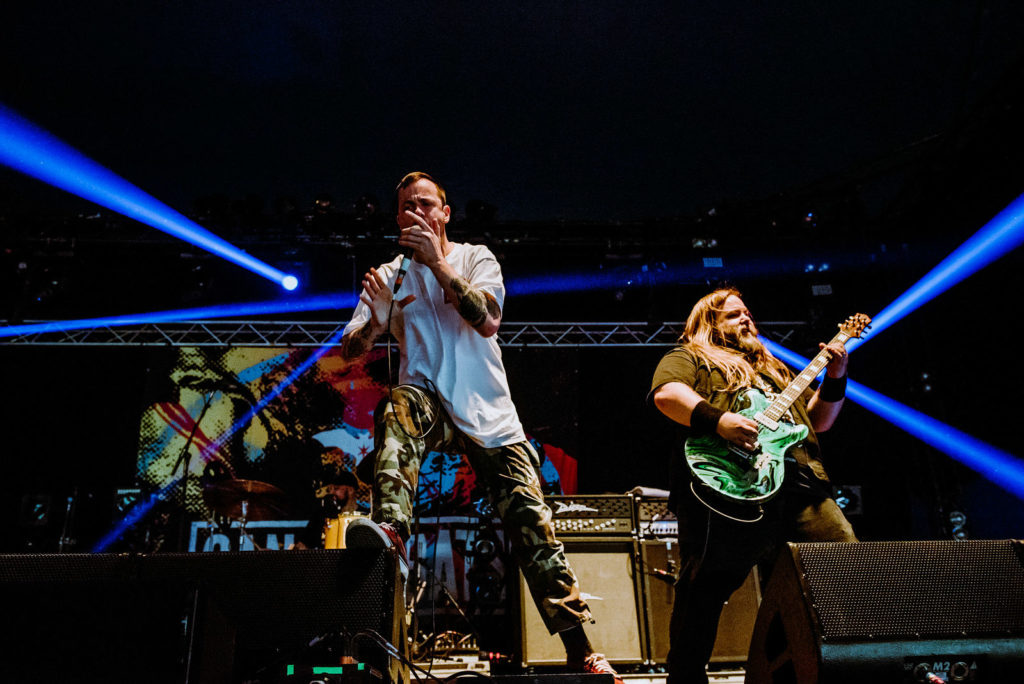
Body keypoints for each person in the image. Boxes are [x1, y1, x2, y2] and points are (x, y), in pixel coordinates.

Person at [339, 172, 620, 678]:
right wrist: (376, 321)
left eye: (425, 203)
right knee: (397, 405)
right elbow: (351, 346)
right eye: (405, 207)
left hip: (489, 415)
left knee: (533, 530)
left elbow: (488, 319)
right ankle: (393, 534)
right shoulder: (390, 274)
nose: (415, 213)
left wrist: (438, 264)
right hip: (428, 404)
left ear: (445, 212)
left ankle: (580, 648)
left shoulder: (475, 256)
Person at [649, 288, 858, 684]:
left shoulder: (775, 369)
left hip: (799, 485)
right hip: (727, 491)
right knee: (705, 591)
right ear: (708, 325)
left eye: (747, 312)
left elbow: (820, 421)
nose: (746, 318)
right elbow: (667, 395)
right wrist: (721, 421)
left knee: (840, 570)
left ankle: (820, 670)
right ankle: (686, 678)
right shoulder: (691, 358)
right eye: (732, 315)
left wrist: (835, 375)